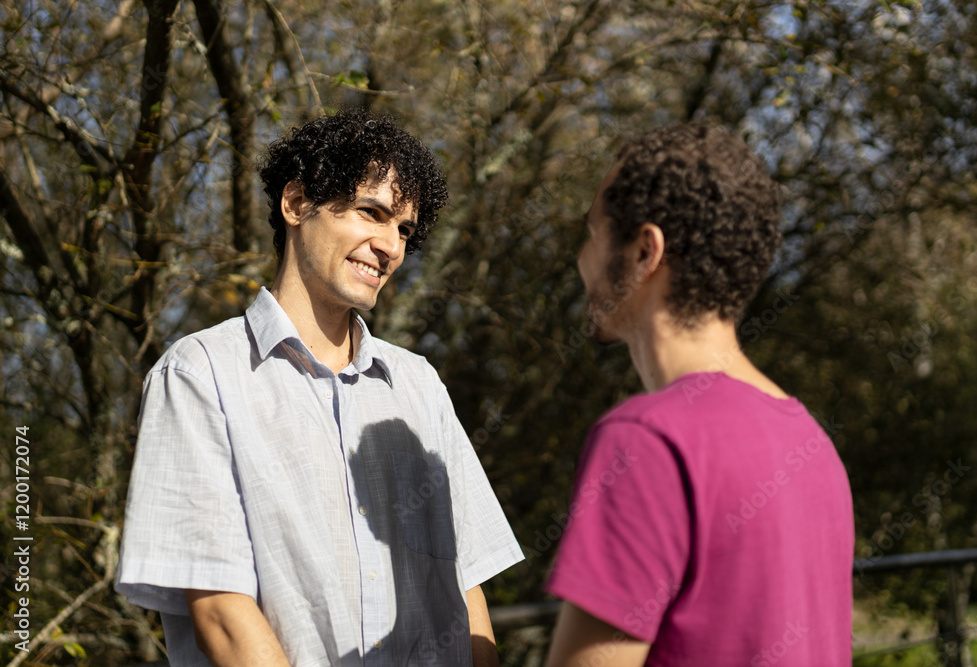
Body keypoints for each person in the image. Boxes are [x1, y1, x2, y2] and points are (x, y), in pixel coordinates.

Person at [116, 108, 523, 667]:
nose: (391, 246)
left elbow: (466, 587)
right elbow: (219, 608)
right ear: (296, 204)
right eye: (371, 213)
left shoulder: (419, 385)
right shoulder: (199, 374)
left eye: (404, 229)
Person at [543, 124, 854, 666]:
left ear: (644, 251)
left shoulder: (647, 440)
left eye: (594, 233)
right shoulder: (813, 443)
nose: (581, 260)